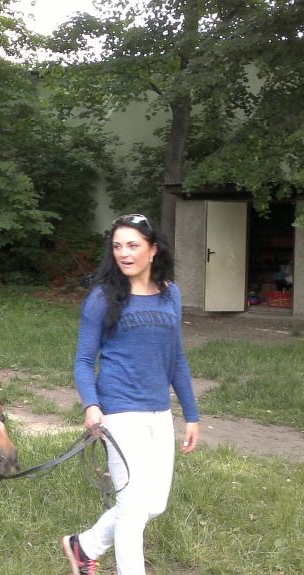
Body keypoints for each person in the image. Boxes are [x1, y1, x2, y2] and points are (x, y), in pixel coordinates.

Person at [61, 213, 199, 575]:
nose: (124, 253)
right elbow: (84, 360)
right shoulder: (102, 298)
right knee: (132, 510)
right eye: (118, 246)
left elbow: (176, 358)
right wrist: (91, 405)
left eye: (133, 245)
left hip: (158, 411)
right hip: (119, 411)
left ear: (152, 250)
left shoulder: (170, 294)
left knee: (154, 504)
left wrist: (191, 414)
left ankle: (84, 546)